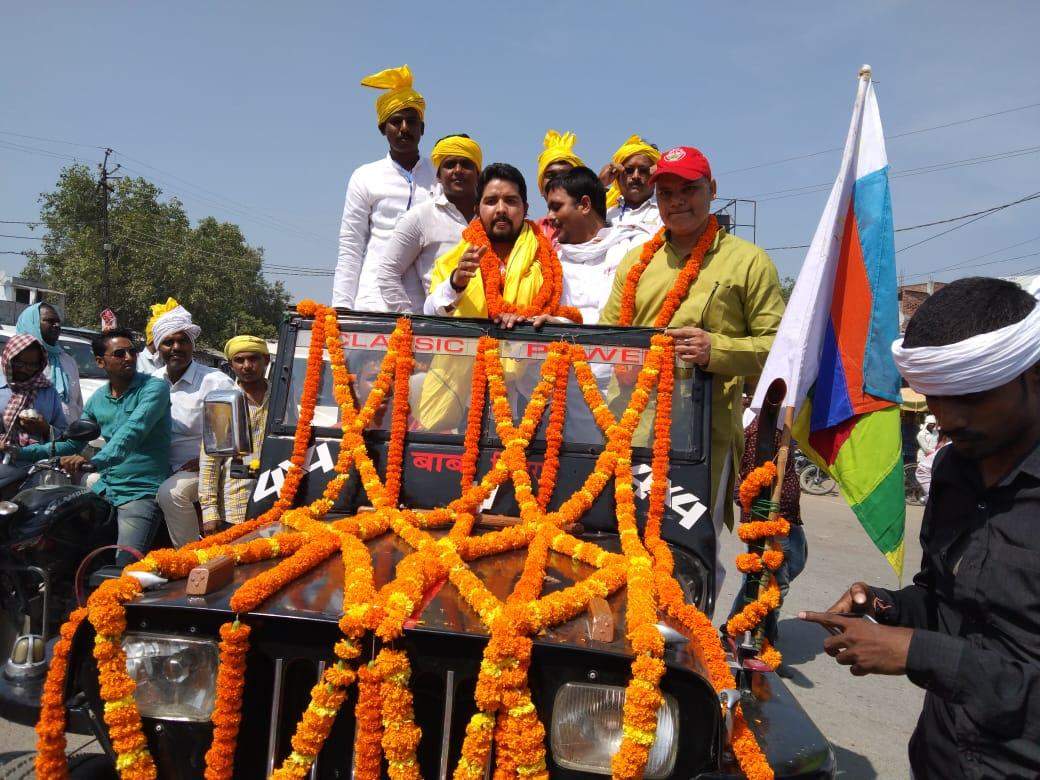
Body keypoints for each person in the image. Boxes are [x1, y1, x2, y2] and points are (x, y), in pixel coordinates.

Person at [801, 277, 1040, 779]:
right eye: (933, 396)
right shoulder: (954, 471)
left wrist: (918, 652)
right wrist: (888, 606)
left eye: (969, 398)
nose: (943, 417)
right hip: (939, 758)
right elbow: (951, 605)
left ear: (1033, 375)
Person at [600, 146, 785, 533]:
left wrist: (714, 350)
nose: (677, 201)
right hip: (632, 432)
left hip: (705, 441)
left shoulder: (749, 262)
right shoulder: (635, 263)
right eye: (666, 193)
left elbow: (779, 351)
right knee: (625, 550)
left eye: (689, 189)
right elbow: (606, 341)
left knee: (692, 553)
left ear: (712, 189)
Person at [420, 163, 559, 430]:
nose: (501, 210)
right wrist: (456, 284)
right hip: (470, 400)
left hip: (536, 398)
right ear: (477, 209)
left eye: (510, 201)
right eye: (491, 201)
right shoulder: (454, 261)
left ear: (526, 209)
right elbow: (430, 315)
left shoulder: (550, 261)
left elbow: (569, 319)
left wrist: (541, 321)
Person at [16, 328, 170, 566]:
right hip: (105, 488)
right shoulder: (98, 398)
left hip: (140, 491)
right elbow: (73, 442)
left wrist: (93, 462)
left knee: (123, 567)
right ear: (100, 361)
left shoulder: (154, 388)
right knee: (61, 543)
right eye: (119, 354)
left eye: (132, 352)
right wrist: (20, 452)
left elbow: (131, 433)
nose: (129, 357)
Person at [332, 65, 436, 311]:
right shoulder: (366, 176)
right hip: (373, 303)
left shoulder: (440, 176)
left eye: (411, 121)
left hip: (426, 306)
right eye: (395, 121)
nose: (404, 128)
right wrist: (342, 307)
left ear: (422, 129)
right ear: (382, 128)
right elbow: (351, 245)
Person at [151, 300, 235, 547]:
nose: (176, 347)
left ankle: (190, 559)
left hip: (202, 468)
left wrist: (203, 461)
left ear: (192, 346)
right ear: (159, 348)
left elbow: (227, 440)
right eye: (169, 342)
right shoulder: (151, 382)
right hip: (157, 466)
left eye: (183, 341)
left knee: (172, 493)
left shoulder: (214, 382)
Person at [376, 134, 482, 313]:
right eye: (449, 165)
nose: (458, 170)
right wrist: (409, 319)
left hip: (491, 328)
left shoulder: (491, 218)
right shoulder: (420, 217)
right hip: (438, 330)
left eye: (466, 164)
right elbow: (388, 272)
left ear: (478, 173)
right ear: (438, 175)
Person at [729, 414, 806, 645]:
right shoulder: (761, 433)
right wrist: (765, 515)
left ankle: (737, 624)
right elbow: (746, 485)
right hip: (771, 521)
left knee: (790, 565)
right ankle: (762, 641)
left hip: (788, 519)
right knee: (773, 582)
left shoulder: (782, 429)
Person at [198, 336, 270, 531]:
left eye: (253, 359)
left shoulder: (282, 399)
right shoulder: (223, 402)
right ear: (231, 365)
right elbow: (210, 461)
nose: (247, 366)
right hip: (235, 506)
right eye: (239, 360)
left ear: (267, 360)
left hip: (274, 499)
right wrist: (209, 512)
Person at [15, 303, 83, 422]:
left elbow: (77, 403)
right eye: (50, 321)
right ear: (32, 323)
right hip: (29, 437)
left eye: (58, 321)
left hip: (66, 437)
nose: (56, 325)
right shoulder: (15, 362)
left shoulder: (68, 361)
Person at [0, 335, 67, 447]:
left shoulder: (48, 392)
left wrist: (45, 429)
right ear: (7, 359)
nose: (24, 369)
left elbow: (63, 434)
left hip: (33, 462)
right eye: (18, 363)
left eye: (32, 365)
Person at [600, 134, 662, 251]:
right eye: (629, 170)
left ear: (654, 175)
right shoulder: (605, 215)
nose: (635, 176)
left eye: (643, 171)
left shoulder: (666, 214)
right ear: (616, 175)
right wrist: (598, 184)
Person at [534, 129, 584, 244]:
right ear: (541, 187)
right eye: (550, 175)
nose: (557, 181)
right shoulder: (530, 234)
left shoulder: (598, 226)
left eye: (565, 175)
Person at [914, 429, 950, 498]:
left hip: (934, 452)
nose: (932, 425)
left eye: (933, 424)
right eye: (930, 424)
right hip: (925, 455)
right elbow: (924, 447)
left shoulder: (935, 433)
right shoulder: (921, 434)